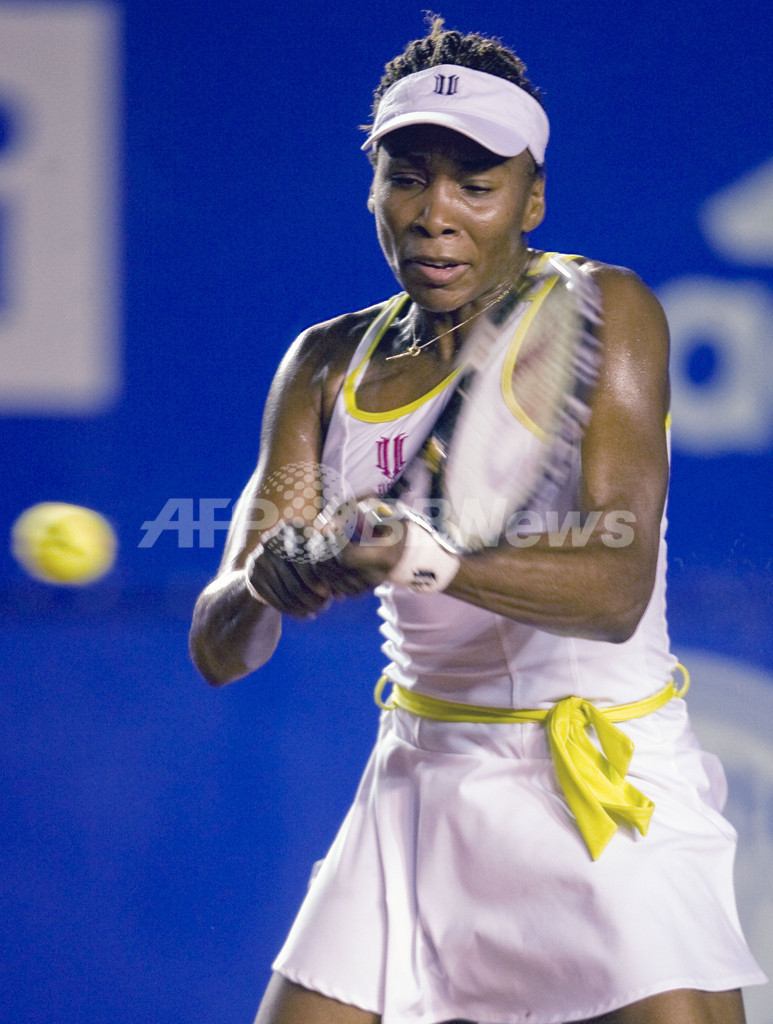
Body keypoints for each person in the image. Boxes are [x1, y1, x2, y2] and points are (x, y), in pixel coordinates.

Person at [189, 18, 766, 1024]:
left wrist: (424, 556)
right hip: (420, 781)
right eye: (407, 178)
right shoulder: (323, 364)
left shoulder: (606, 309)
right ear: (374, 189)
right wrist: (268, 581)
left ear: (530, 199)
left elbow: (614, 590)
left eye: (475, 183)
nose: (434, 215)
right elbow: (219, 647)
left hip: (602, 778)